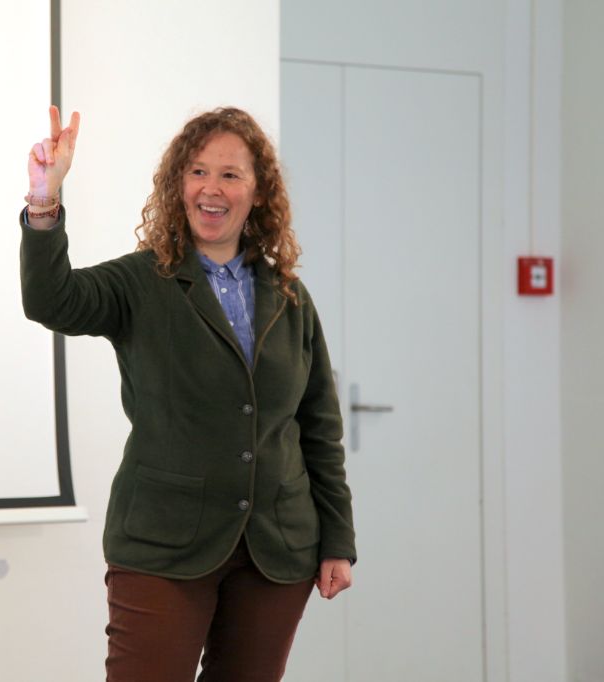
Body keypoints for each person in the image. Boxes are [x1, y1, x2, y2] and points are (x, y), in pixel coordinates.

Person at [19, 105, 356, 682]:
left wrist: (338, 539)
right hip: (164, 544)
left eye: (230, 174)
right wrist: (44, 202)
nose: (211, 188)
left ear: (258, 191)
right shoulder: (141, 281)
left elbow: (318, 425)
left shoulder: (289, 296)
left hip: (276, 549)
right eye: (198, 171)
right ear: (179, 185)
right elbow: (53, 302)